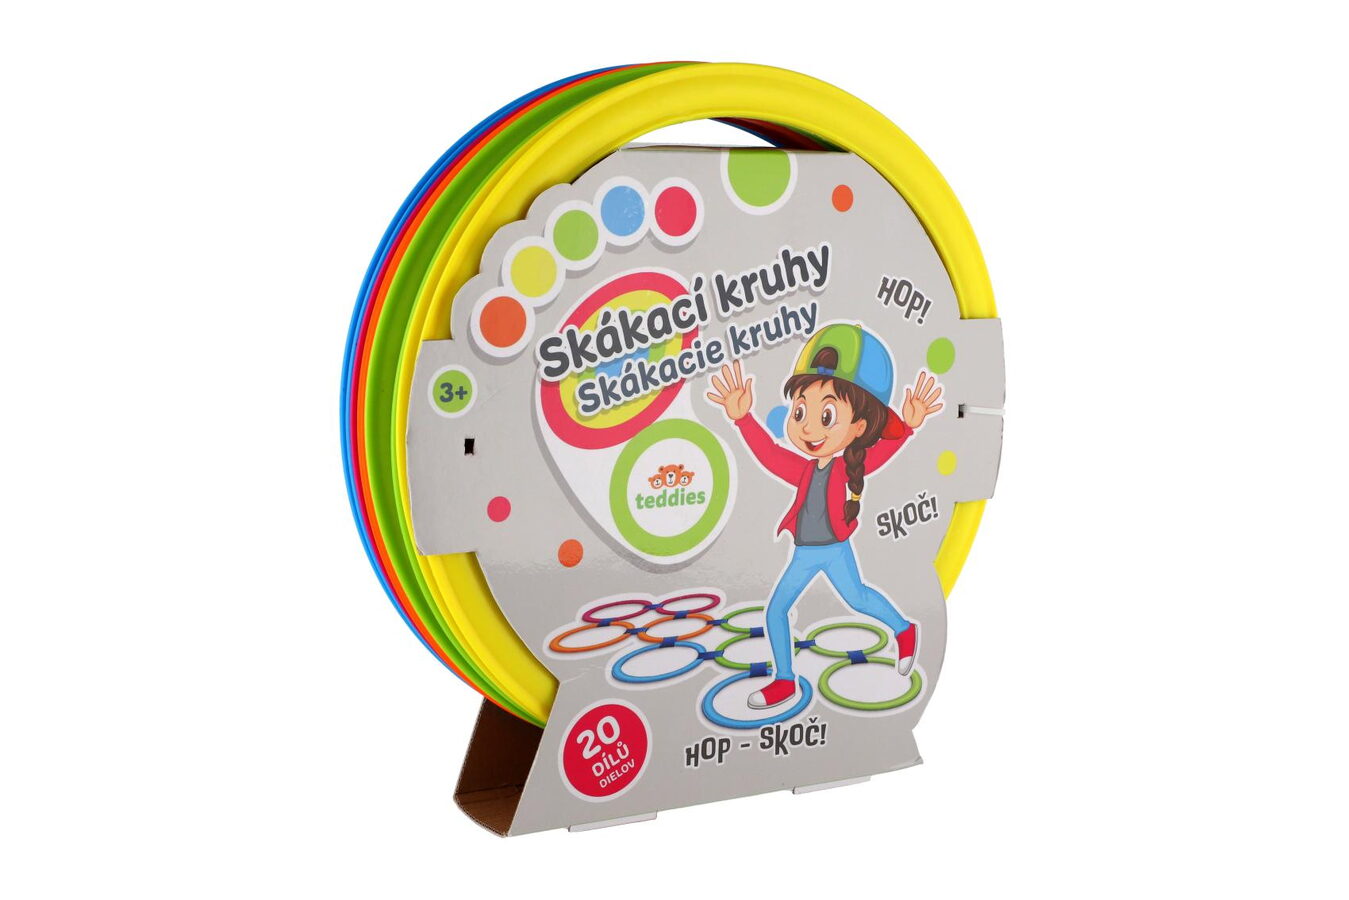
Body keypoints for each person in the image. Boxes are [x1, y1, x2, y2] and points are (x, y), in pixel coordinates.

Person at [706, 323, 943, 709]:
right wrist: (743, 418)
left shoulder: (848, 467)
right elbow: (770, 455)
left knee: (858, 598)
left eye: (827, 414)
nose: (808, 427)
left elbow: (883, 453)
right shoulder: (804, 470)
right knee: (777, 609)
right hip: (805, 551)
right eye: (800, 411)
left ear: (860, 426)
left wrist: (909, 426)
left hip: (833, 550)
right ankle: (785, 680)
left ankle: (904, 630)